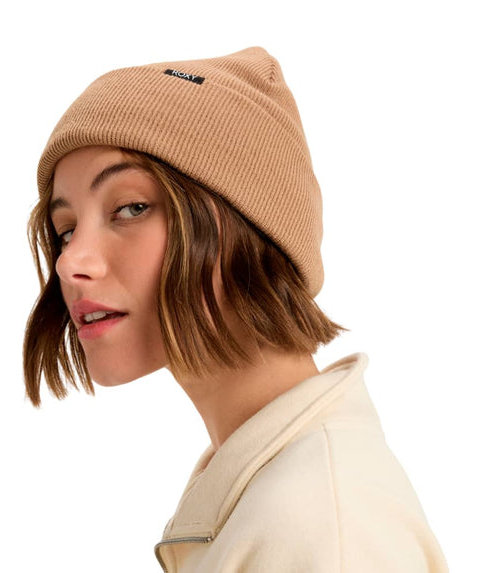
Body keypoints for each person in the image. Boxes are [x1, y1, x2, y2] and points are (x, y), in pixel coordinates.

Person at [23, 46, 449, 572]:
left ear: (248, 227)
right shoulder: (269, 493)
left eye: (131, 207)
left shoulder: (322, 526)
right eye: (66, 229)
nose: (70, 263)